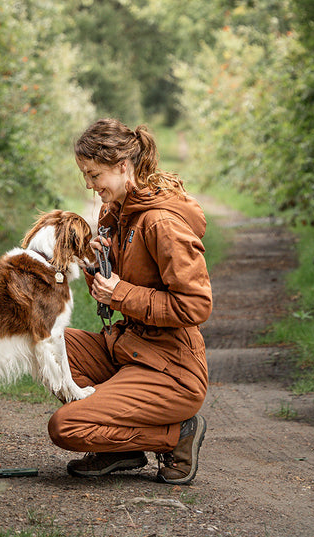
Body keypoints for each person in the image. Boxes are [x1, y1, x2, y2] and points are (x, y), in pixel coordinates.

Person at [47, 118, 212, 484]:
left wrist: (121, 292)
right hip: (127, 347)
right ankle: (122, 448)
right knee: (47, 345)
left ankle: (177, 434)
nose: (89, 185)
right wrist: (96, 264)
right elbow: (111, 289)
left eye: (93, 175)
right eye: (84, 176)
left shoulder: (161, 223)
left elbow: (196, 306)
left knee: (65, 427)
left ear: (123, 166)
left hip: (170, 368)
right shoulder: (114, 213)